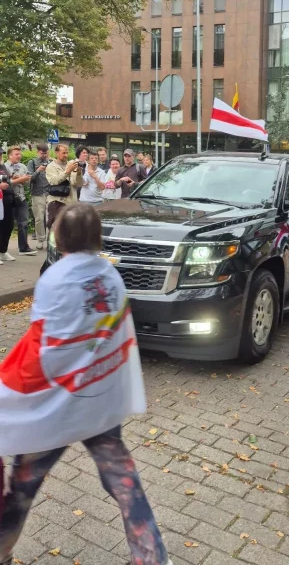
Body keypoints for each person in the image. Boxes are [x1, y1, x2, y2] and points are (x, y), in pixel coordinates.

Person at [0, 203, 172, 565]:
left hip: (55, 406)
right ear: (97, 237)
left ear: (58, 236)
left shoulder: (54, 279)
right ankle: (152, 556)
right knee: (124, 481)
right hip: (98, 398)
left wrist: (9, 389)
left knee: (23, 486)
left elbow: (43, 347)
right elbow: (114, 334)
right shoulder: (110, 276)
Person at [4, 146, 35, 256]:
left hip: (21, 198)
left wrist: (23, 179)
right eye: (16, 154)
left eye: (20, 154)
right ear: (10, 155)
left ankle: (23, 248)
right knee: (7, 225)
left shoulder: (22, 166)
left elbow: (27, 180)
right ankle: (3, 250)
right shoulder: (4, 167)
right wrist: (18, 180)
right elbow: (5, 184)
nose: (19, 156)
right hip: (9, 199)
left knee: (24, 223)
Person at [46, 144, 83, 230]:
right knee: (56, 229)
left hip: (71, 202)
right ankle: (52, 243)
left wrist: (78, 173)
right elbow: (54, 181)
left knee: (70, 229)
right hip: (57, 202)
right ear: (56, 153)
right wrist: (67, 171)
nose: (66, 155)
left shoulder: (71, 164)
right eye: (63, 153)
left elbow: (78, 184)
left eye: (67, 153)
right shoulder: (51, 166)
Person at [27, 143, 50, 250]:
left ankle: (50, 240)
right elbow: (29, 179)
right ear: (38, 152)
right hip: (37, 193)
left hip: (50, 193)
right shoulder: (32, 162)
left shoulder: (51, 163)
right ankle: (40, 239)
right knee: (39, 218)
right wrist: (38, 171)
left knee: (51, 218)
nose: (44, 155)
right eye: (42, 153)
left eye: (46, 153)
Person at [0, 149, 15, 263]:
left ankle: (3, 251)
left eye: (1, 154)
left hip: (7, 201)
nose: (0, 156)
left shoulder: (3, 166)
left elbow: (8, 180)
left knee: (8, 226)